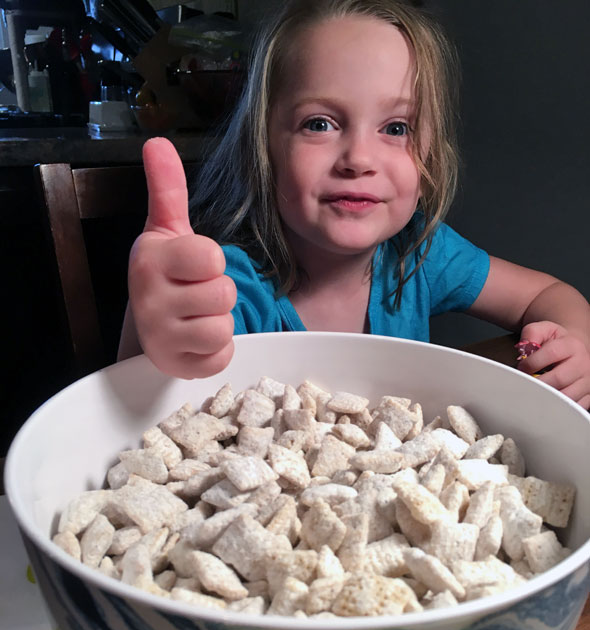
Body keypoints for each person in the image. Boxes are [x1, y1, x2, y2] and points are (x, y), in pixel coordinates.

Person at [120, 0, 590, 408]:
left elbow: (547, 295)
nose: (359, 159)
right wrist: (152, 331)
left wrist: (575, 346)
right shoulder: (233, 285)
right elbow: (153, 398)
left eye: (396, 128)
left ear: (430, 159)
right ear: (263, 147)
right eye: (320, 124)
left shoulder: (420, 254)